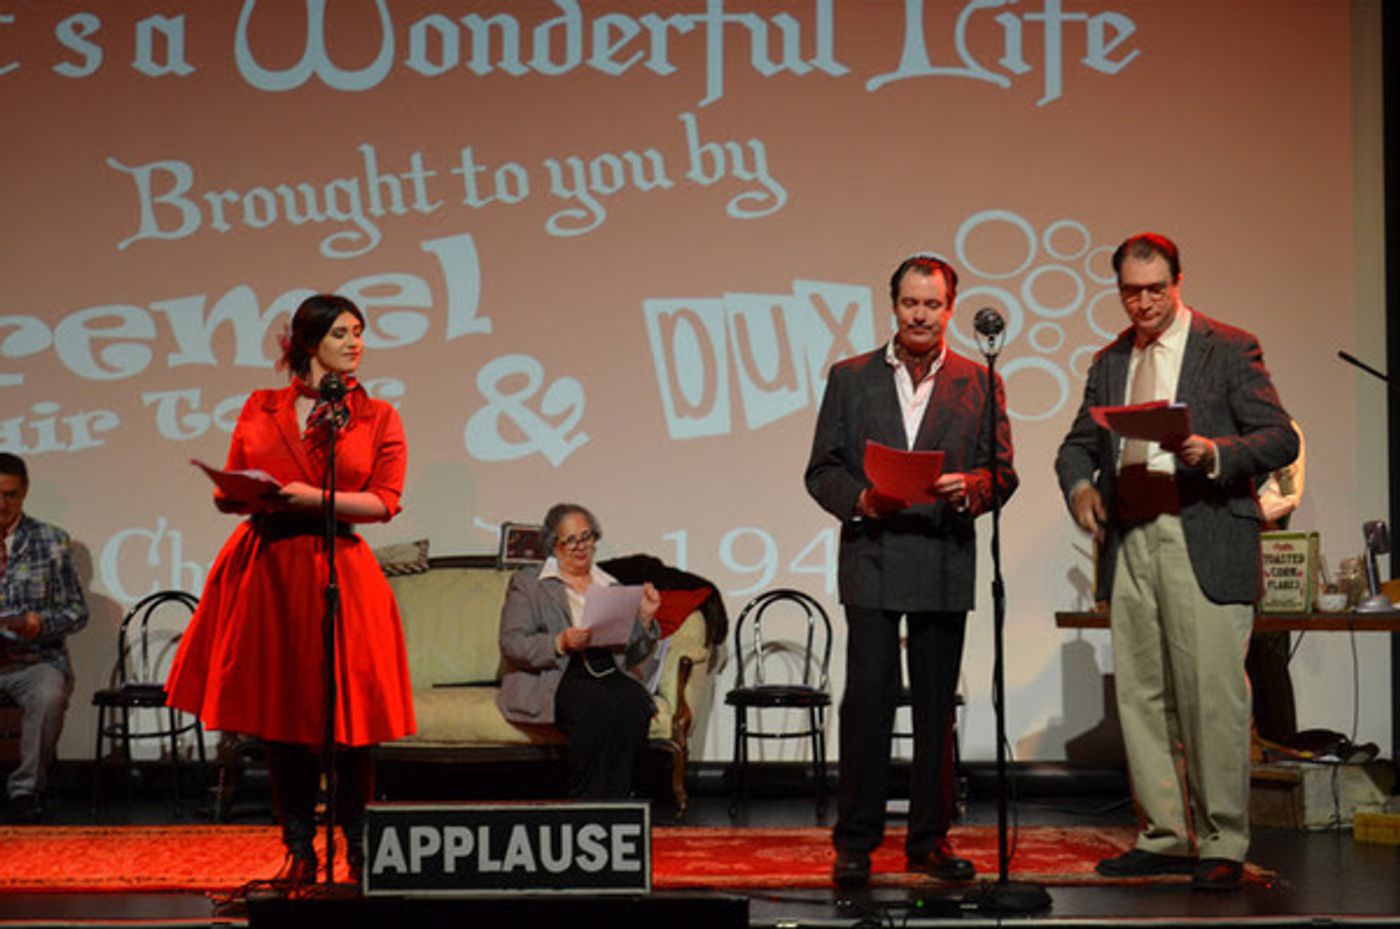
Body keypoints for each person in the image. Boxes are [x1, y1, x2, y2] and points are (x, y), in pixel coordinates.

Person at [1054, 233, 1297, 891]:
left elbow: (1278, 436)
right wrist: (1080, 488)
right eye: (1131, 291)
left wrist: (1213, 451)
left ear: (1178, 282)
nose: (1144, 302)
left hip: (1204, 530)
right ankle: (1165, 833)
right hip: (1133, 538)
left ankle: (1221, 838)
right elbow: (1077, 444)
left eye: (1155, 288)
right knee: (1143, 693)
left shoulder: (1228, 346)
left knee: (1213, 695)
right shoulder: (1110, 359)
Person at [166, 294, 415, 884]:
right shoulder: (262, 405)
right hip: (270, 565)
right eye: (340, 333)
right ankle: (299, 849)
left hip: (339, 565)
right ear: (308, 343)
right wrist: (233, 492)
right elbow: (231, 487)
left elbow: (385, 502)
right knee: (281, 717)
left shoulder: (377, 415)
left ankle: (357, 848)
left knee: (349, 719)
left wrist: (316, 500)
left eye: (359, 332)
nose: (355, 343)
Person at [805, 253, 1017, 887]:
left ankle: (927, 839)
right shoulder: (851, 377)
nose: (920, 315)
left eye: (932, 304)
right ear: (891, 305)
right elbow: (822, 469)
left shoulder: (980, 380)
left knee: (933, 711)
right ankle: (856, 842)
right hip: (872, 552)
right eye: (909, 303)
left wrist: (972, 488)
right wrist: (863, 498)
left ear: (951, 308)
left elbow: (1002, 473)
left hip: (942, 555)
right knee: (866, 704)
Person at [497, 503, 661, 799]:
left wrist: (645, 618)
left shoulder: (609, 584)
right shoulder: (530, 584)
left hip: (608, 667)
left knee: (634, 703)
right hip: (559, 671)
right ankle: (587, 803)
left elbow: (634, 654)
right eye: (570, 540)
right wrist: (559, 641)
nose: (580, 546)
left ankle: (621, 800)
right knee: (594, 705)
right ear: (553, 545)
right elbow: (513, 642)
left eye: (586, 537)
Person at [0, 453, 88, 823]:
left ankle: (26, 790)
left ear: (25, 494)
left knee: (50, 693)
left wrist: (39, 623)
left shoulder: (51, 541)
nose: (1, 504)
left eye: (10, 495)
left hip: (34, 660)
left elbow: (76, 612)